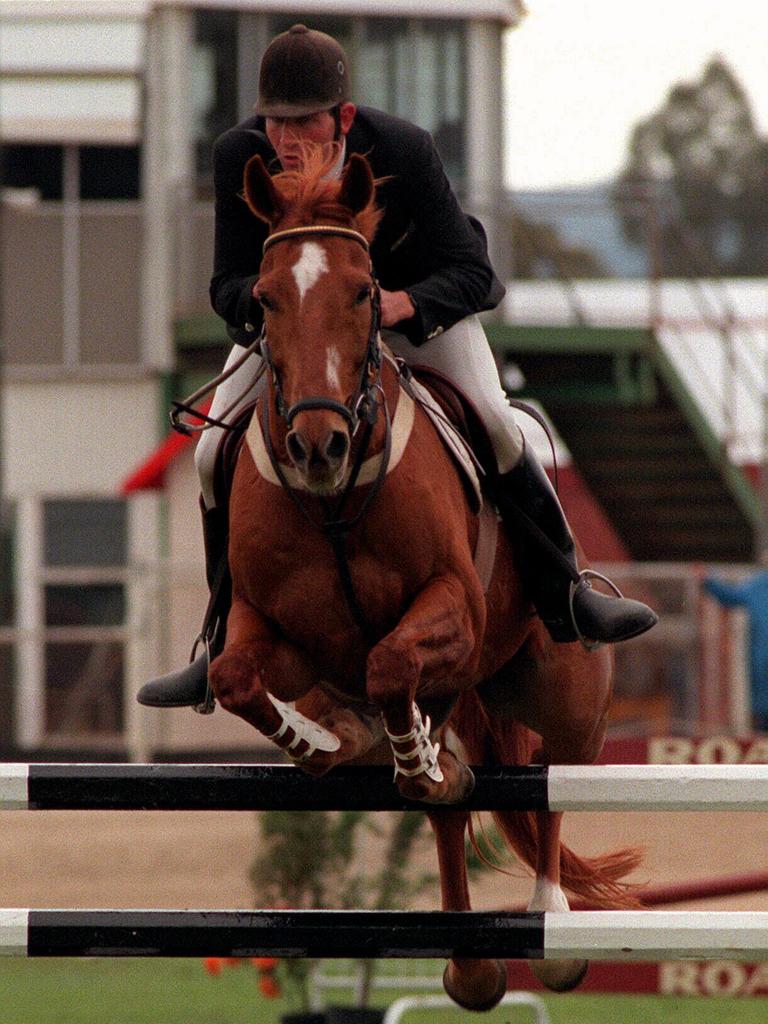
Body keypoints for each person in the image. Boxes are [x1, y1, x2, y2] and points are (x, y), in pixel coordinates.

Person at [137, 25, 656, 709]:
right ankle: (214, 642)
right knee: (208, 452)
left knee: (502, 426)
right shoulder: (241, 156)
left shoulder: (404, 151)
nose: (286, 139)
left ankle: (569, 595)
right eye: (276, 121)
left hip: (414, 317)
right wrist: (284, 309)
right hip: (302, 327)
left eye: (303, 122)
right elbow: (226, 283)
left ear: (343, 117)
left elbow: (476, 274)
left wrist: (401, 303)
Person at [702, 558, 768, 731]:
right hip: (762, 663)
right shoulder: (760, 585)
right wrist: (707, 578)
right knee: (762, 710)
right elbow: (730, 596)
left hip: (761, 661)